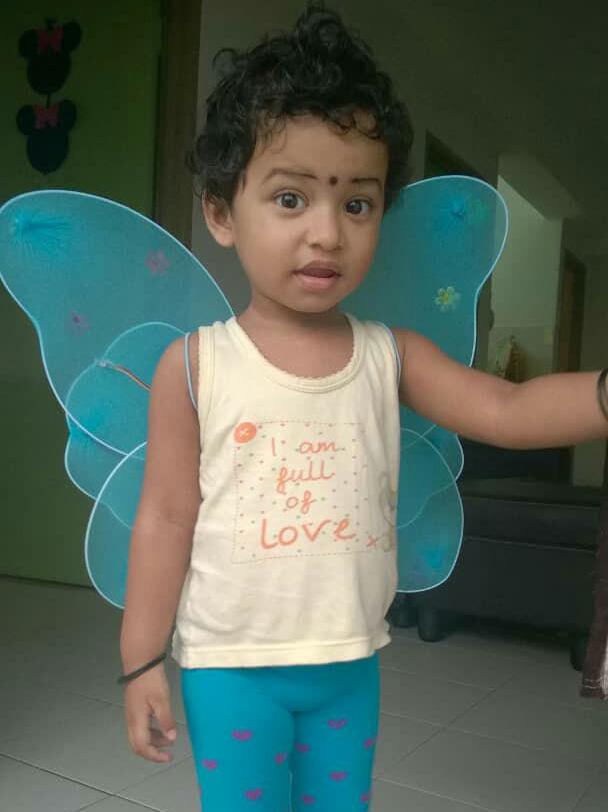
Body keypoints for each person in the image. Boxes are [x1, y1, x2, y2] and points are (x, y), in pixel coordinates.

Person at [118, 3, 608, 810]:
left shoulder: (391, 357)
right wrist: (140, 660)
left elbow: (509, 408)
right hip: (230, 669)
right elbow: (166, 518)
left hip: (349, 666)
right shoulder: (196, 367)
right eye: (290, 198)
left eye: (356, 203)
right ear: (220, 211)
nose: (327, 233)